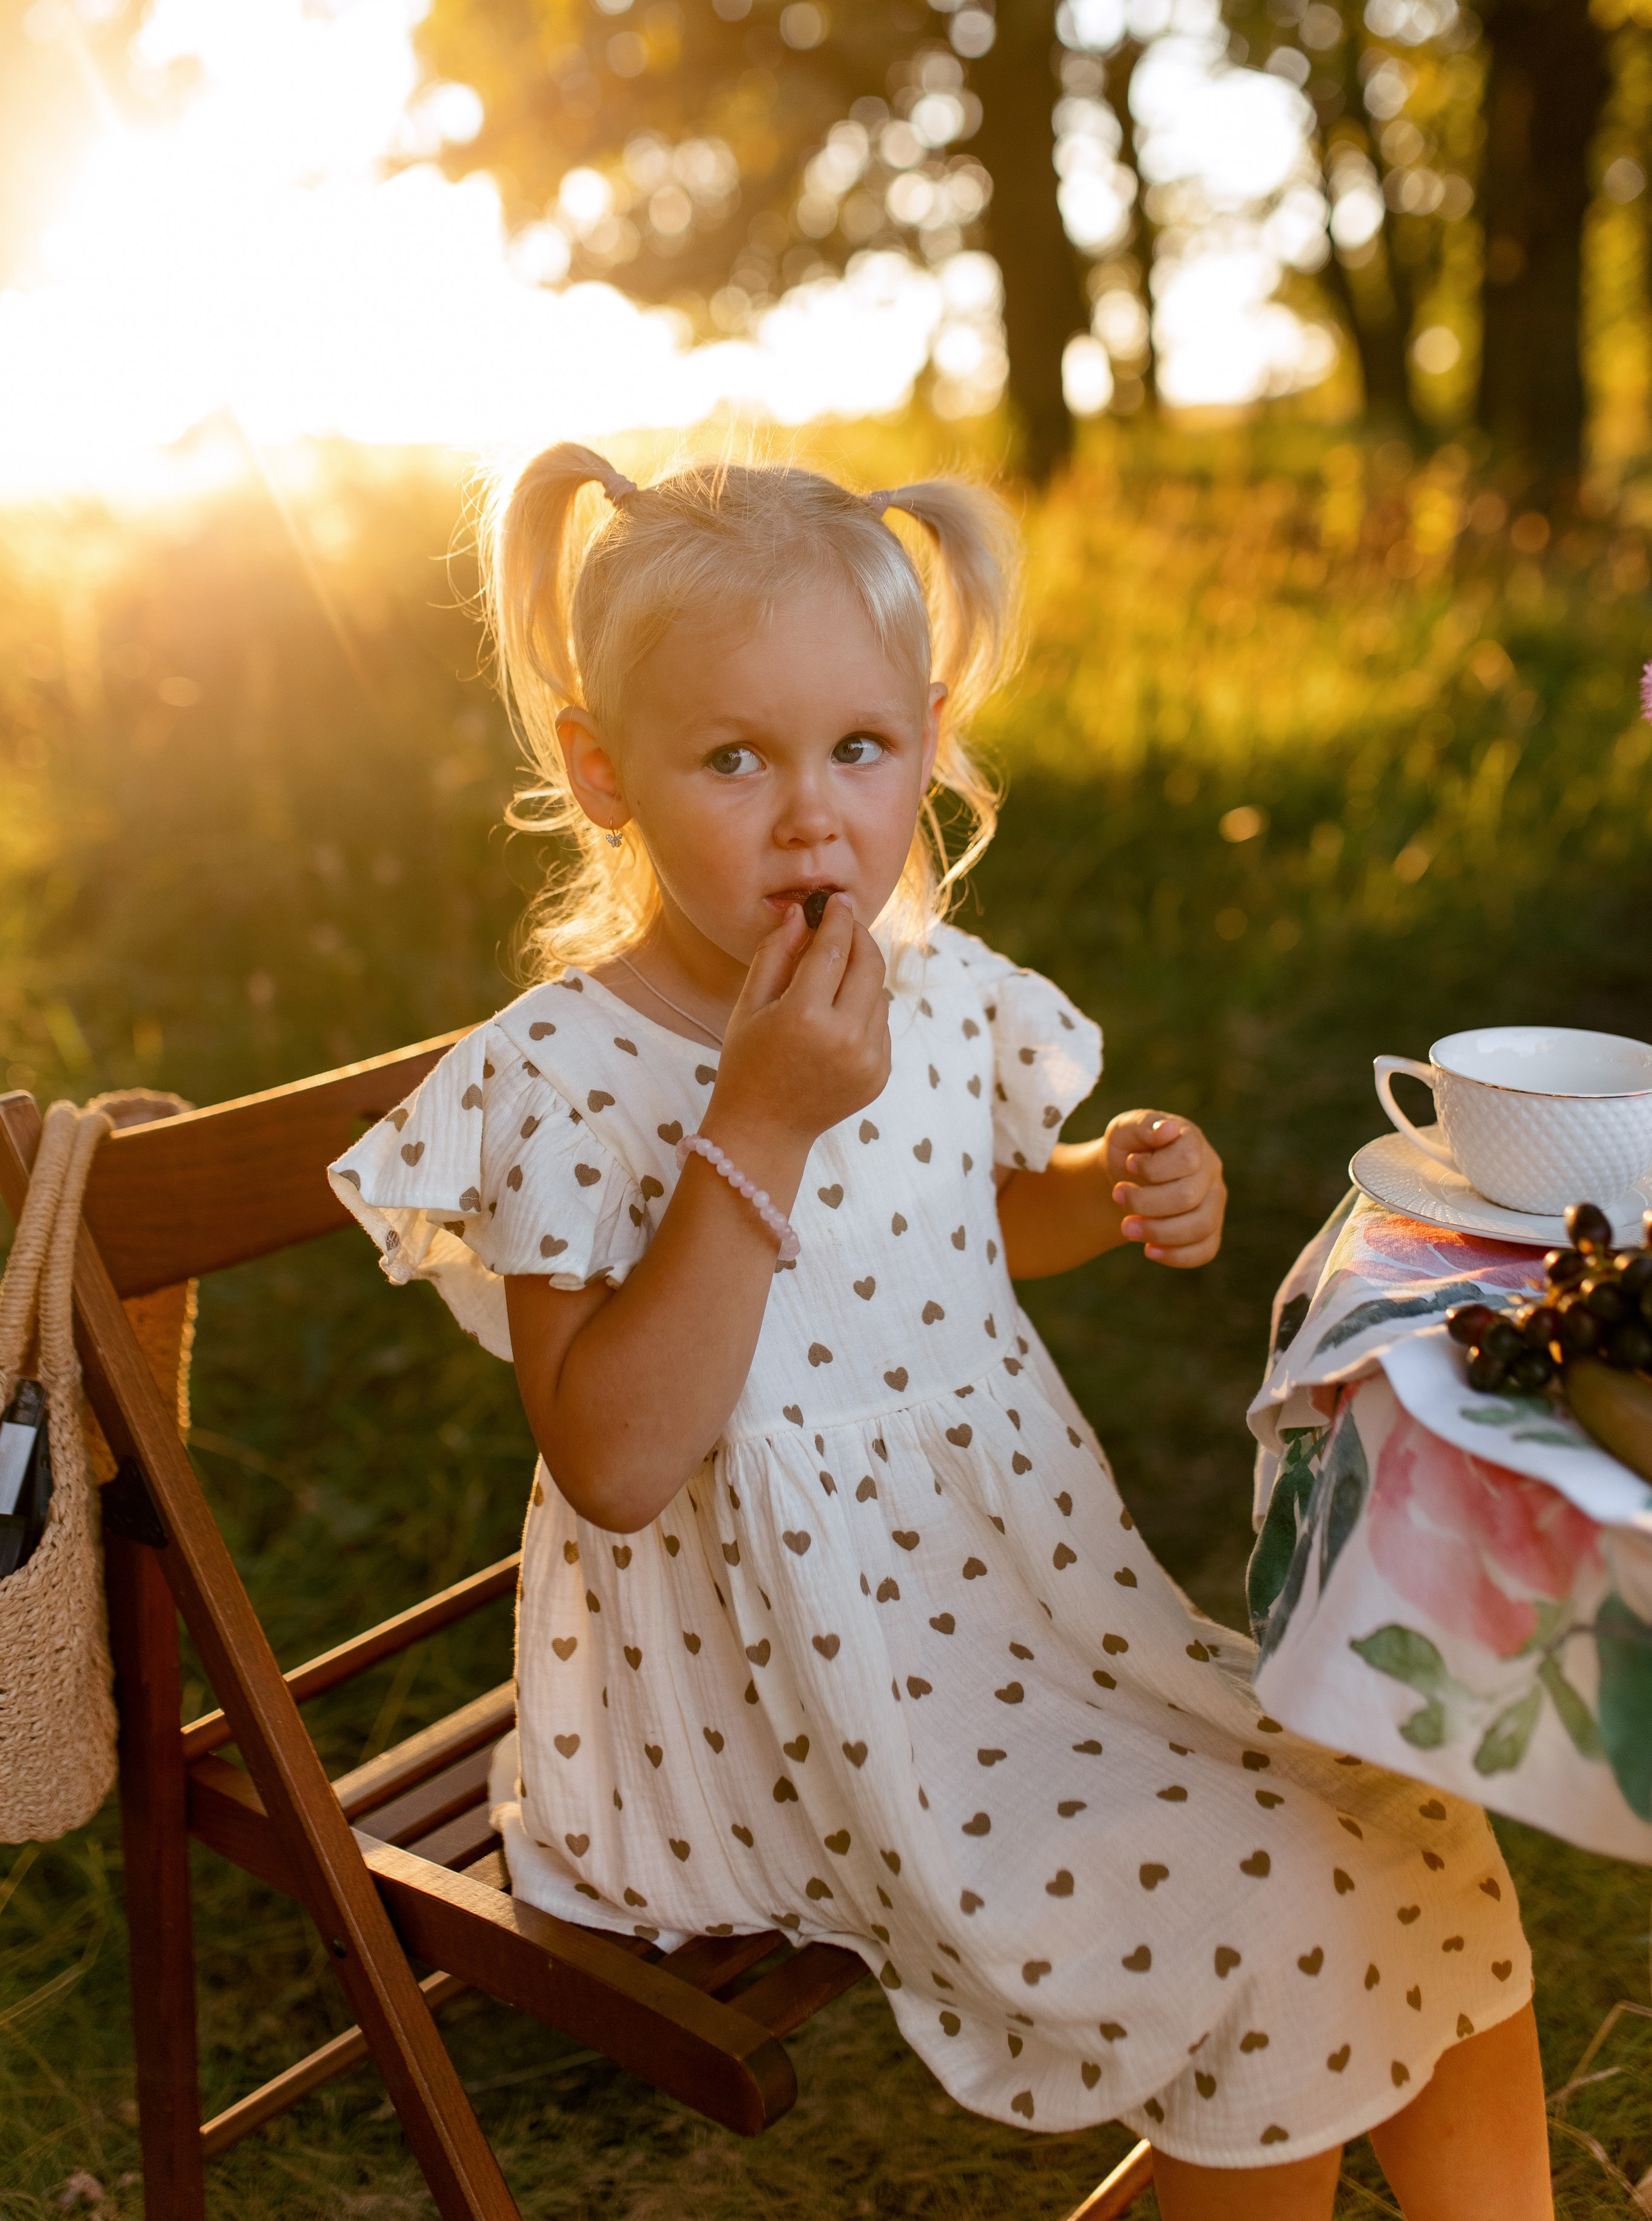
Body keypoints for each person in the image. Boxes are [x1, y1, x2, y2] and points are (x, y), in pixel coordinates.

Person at [330, 448, 1551, 2220]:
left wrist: (1106, 1187)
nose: (810, 815)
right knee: (1276, 1919)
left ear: (928, 735)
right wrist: (755, 1121)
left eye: (857, 749)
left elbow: (958, 1220)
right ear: (603, 772)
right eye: (733, 758)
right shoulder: (562, 1080)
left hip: (1008, 1609)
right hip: (760, 1698)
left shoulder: (939, 986)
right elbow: (611, 1457)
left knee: (1427, 1833)